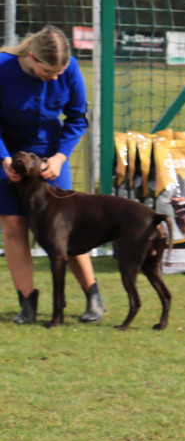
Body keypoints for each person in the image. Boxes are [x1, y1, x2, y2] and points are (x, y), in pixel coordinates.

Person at [0, 25, 105, 325]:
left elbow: (76, 119)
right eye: (49, 71)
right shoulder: (2, 69)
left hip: (51, 155)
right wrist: (5, 159)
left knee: (64, 228)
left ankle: (93, 295)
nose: (56, 77)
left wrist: (60, 157)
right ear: (31, 57)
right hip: (7, 152)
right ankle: (27, 304)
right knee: (12, 226)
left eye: (60, 71)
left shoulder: (69, 69)